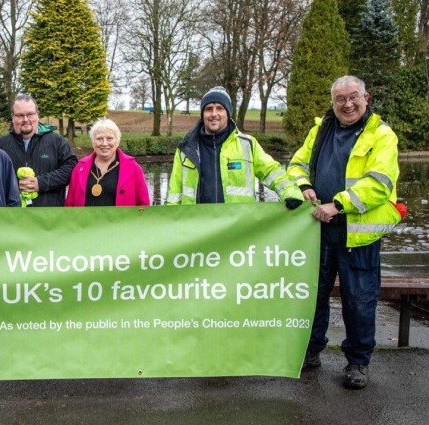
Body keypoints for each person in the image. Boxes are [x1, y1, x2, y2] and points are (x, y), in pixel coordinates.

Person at [288, 76, 401, 389]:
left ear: (365, 97)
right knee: (312, 295)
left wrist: (337, 204)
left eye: (353, 97)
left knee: (359, 300)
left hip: (358, 234)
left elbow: (379, 184)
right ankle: (311, 351)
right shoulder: (320, 130)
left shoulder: (381, 135)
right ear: (332, 102)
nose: (347, 104)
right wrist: (304, 186)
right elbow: (296, 165)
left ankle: (357, 362)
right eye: (340, 99)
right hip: (318, 231)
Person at [165, 86, 303, 207]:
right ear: (202, 114)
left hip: (238, 228)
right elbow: (174, 194)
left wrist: (290, 192)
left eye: (220, 108)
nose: (214, 114)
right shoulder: (186, 149)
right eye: (208, 109)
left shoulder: (247, 144)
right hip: (197, 229)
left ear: (228, 113)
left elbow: (271, 171)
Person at [0, 94, 78, 206]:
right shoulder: (0, 145)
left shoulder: (57, 141)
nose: (26, 119)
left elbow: (72, 168)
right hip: (12, 217)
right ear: (13, 117)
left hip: (48, 218)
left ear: (37, 115)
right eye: (20, 115)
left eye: (30, 114)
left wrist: (41, 183)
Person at [65, 119, 150, 206]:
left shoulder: (133, 168)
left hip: (121, 220)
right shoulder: (79, 168)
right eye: (99, 139)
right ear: (93, 142)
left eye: (109, 138)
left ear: (117, 141)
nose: (104, 143)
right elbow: (70, 205)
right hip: (87, 220)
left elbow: (144, 205)